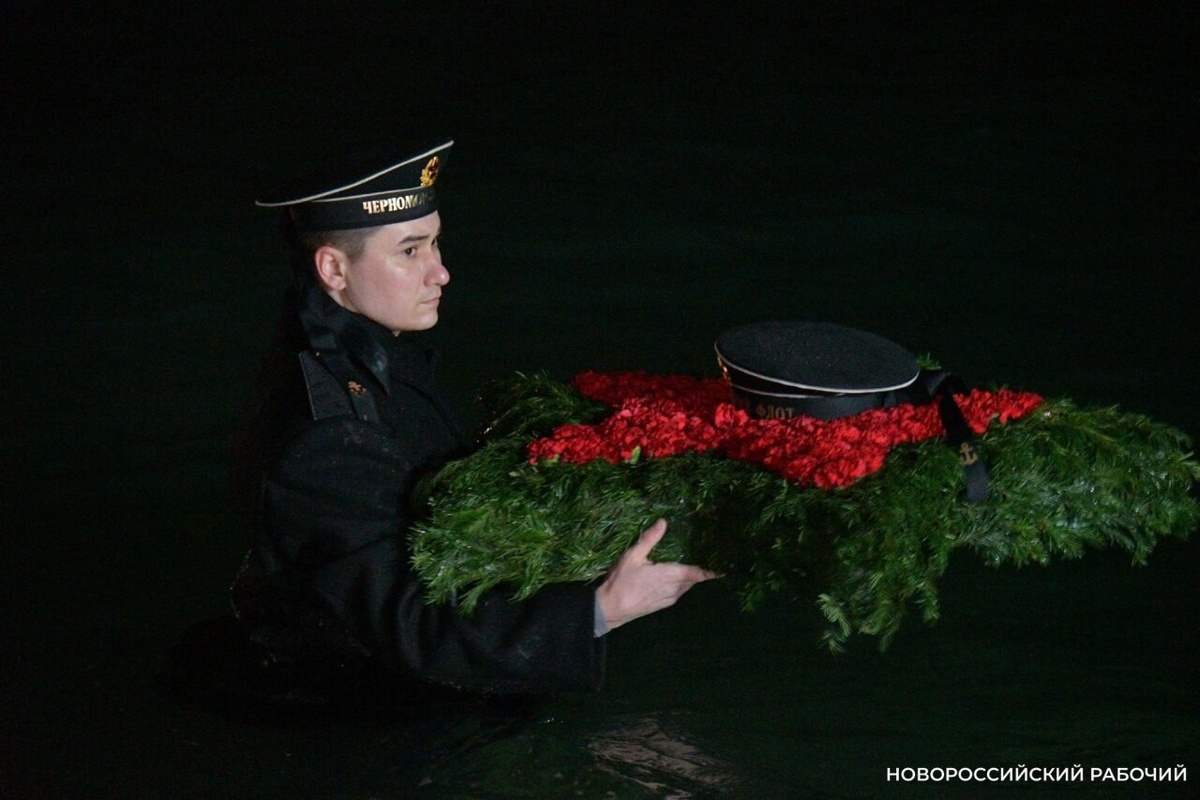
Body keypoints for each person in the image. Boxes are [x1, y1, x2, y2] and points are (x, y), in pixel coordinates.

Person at [230, 140, 716, 697]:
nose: (440, 273)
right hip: (358, 707)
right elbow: (409, 628)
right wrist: (603, 609)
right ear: (334, 268)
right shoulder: (328, 433)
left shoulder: (354, 347)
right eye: (409, 251)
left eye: (435, 243)